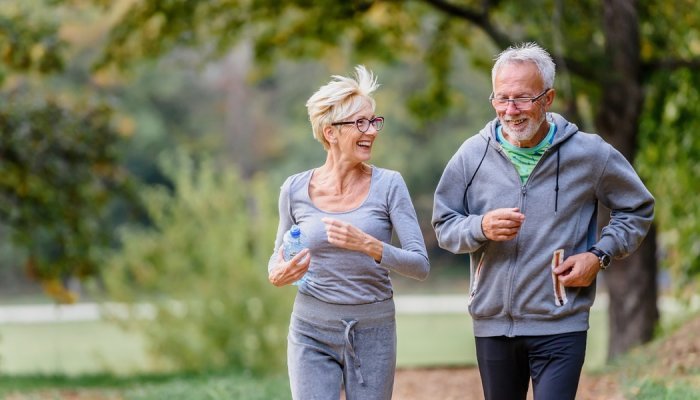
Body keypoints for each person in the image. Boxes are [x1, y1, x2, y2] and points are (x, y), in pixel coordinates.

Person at [432, 42, 654, 400]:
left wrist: (599, 256)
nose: (510, 110)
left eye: (522, 99)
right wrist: (480, 228)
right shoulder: (471, 155)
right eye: (501, 98)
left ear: (548, 99)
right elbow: (444, 224)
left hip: (560, 322)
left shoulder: (589, 153)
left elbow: (637, 208)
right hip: (492, 324)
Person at [268, 65, 430, 400]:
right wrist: (278, 273)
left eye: (374, 121)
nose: (371, 130)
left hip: (373, 330)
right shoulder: (293, 189)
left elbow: (420, 264)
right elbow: (277, 254)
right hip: (310, 329)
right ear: (330, 132)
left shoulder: (389, 185)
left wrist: (371, 246)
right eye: (360, 123)